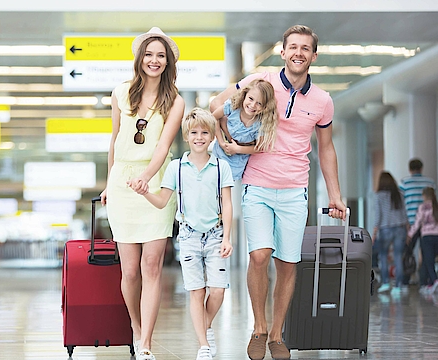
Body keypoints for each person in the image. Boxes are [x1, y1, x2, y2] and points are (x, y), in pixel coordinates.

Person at [210, 25, 346, 360]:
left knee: (287, 263)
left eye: (306, 48)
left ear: (314, 56)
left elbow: (326, 149)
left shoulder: (322, 102)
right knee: (259, 256)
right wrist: (229, 140)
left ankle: (276, 334)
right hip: (256, 184)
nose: (299, 53)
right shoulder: (263, 80)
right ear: (282, 52)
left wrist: (335, 195)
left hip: (295, 189)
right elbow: (218, 103)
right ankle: (258, 328)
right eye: (293, 47)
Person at [100, 27, 185, 360]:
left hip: (155, 185)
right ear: (140, 59)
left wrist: (146, 178)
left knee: (152, 268)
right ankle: (136, 327)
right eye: (149, 54)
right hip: (122, 184)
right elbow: (114, 140)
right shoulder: (121, 92)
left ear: (168, 62)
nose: (154, 60)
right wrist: (110, 181)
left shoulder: (175, 101)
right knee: (130, 271)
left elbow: (163, 146)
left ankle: (146, 342)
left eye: (160, 55)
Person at [132, 108, 234, 360]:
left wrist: (228, 237)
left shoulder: (221, 167)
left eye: (204, 133)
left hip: (216, 235)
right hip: (188, 237)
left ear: (212, 137)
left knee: (218, 291)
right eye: (194, 133)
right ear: (187, 137)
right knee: (196, 292)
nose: (199, 137)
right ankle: (204, 346)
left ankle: (204, 326)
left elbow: (228, 203)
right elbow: (162, 201)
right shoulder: (176, 168)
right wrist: (145, 192)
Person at [211, 78, 278, 180]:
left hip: (238, 161)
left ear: (265, 107)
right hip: (219, 153)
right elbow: (213, 118)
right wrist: (221, 142)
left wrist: (237, 149)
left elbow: (259, 148)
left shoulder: (261, 123)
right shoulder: (233, 106)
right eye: (251, 99)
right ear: (245, 95)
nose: (252, 105)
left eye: (259, 103)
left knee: (227, 185)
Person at [400, 158, 437, 287]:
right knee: (428, 254)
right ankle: (425, 281)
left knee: (407, 252)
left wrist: (406, 225)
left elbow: (401, 205)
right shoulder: (430, 182)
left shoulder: (404, 183)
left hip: (412, 223)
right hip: (431, 225)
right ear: (421, 168)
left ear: (410, 169)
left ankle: (405, 281)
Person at [372, 171, 408, 294]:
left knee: (383, 256)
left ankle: (386, 283)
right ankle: (398, 285)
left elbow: (378, 216)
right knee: (398, 256)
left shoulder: (379, 196)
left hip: (385, 228)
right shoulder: (399, 194)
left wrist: (374, 231)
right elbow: (404, 213)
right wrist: (407, 230)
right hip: (400, 227)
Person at [407, 187, 438, 295]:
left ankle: (435, 280)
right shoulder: (436, 206)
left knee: (428, 261)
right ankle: (430, 284)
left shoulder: (422, 207)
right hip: (436, 236)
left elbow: (417, 223)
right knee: (433, 259)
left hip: (426, 237)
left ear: (424, 196)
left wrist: (410, 235)